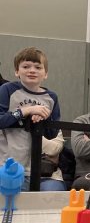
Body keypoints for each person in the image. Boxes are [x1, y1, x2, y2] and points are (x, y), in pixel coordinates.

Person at [0, 47, 64, 191]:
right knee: (11, 210)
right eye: (26, 66)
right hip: (8, 167)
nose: (32, 70)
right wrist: (26, 111)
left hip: (36, 168)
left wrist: (42, 119)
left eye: (38, 67)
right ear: (17, 71)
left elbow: (51, 134)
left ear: (45, 73)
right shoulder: (7, 90)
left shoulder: (51, 97)